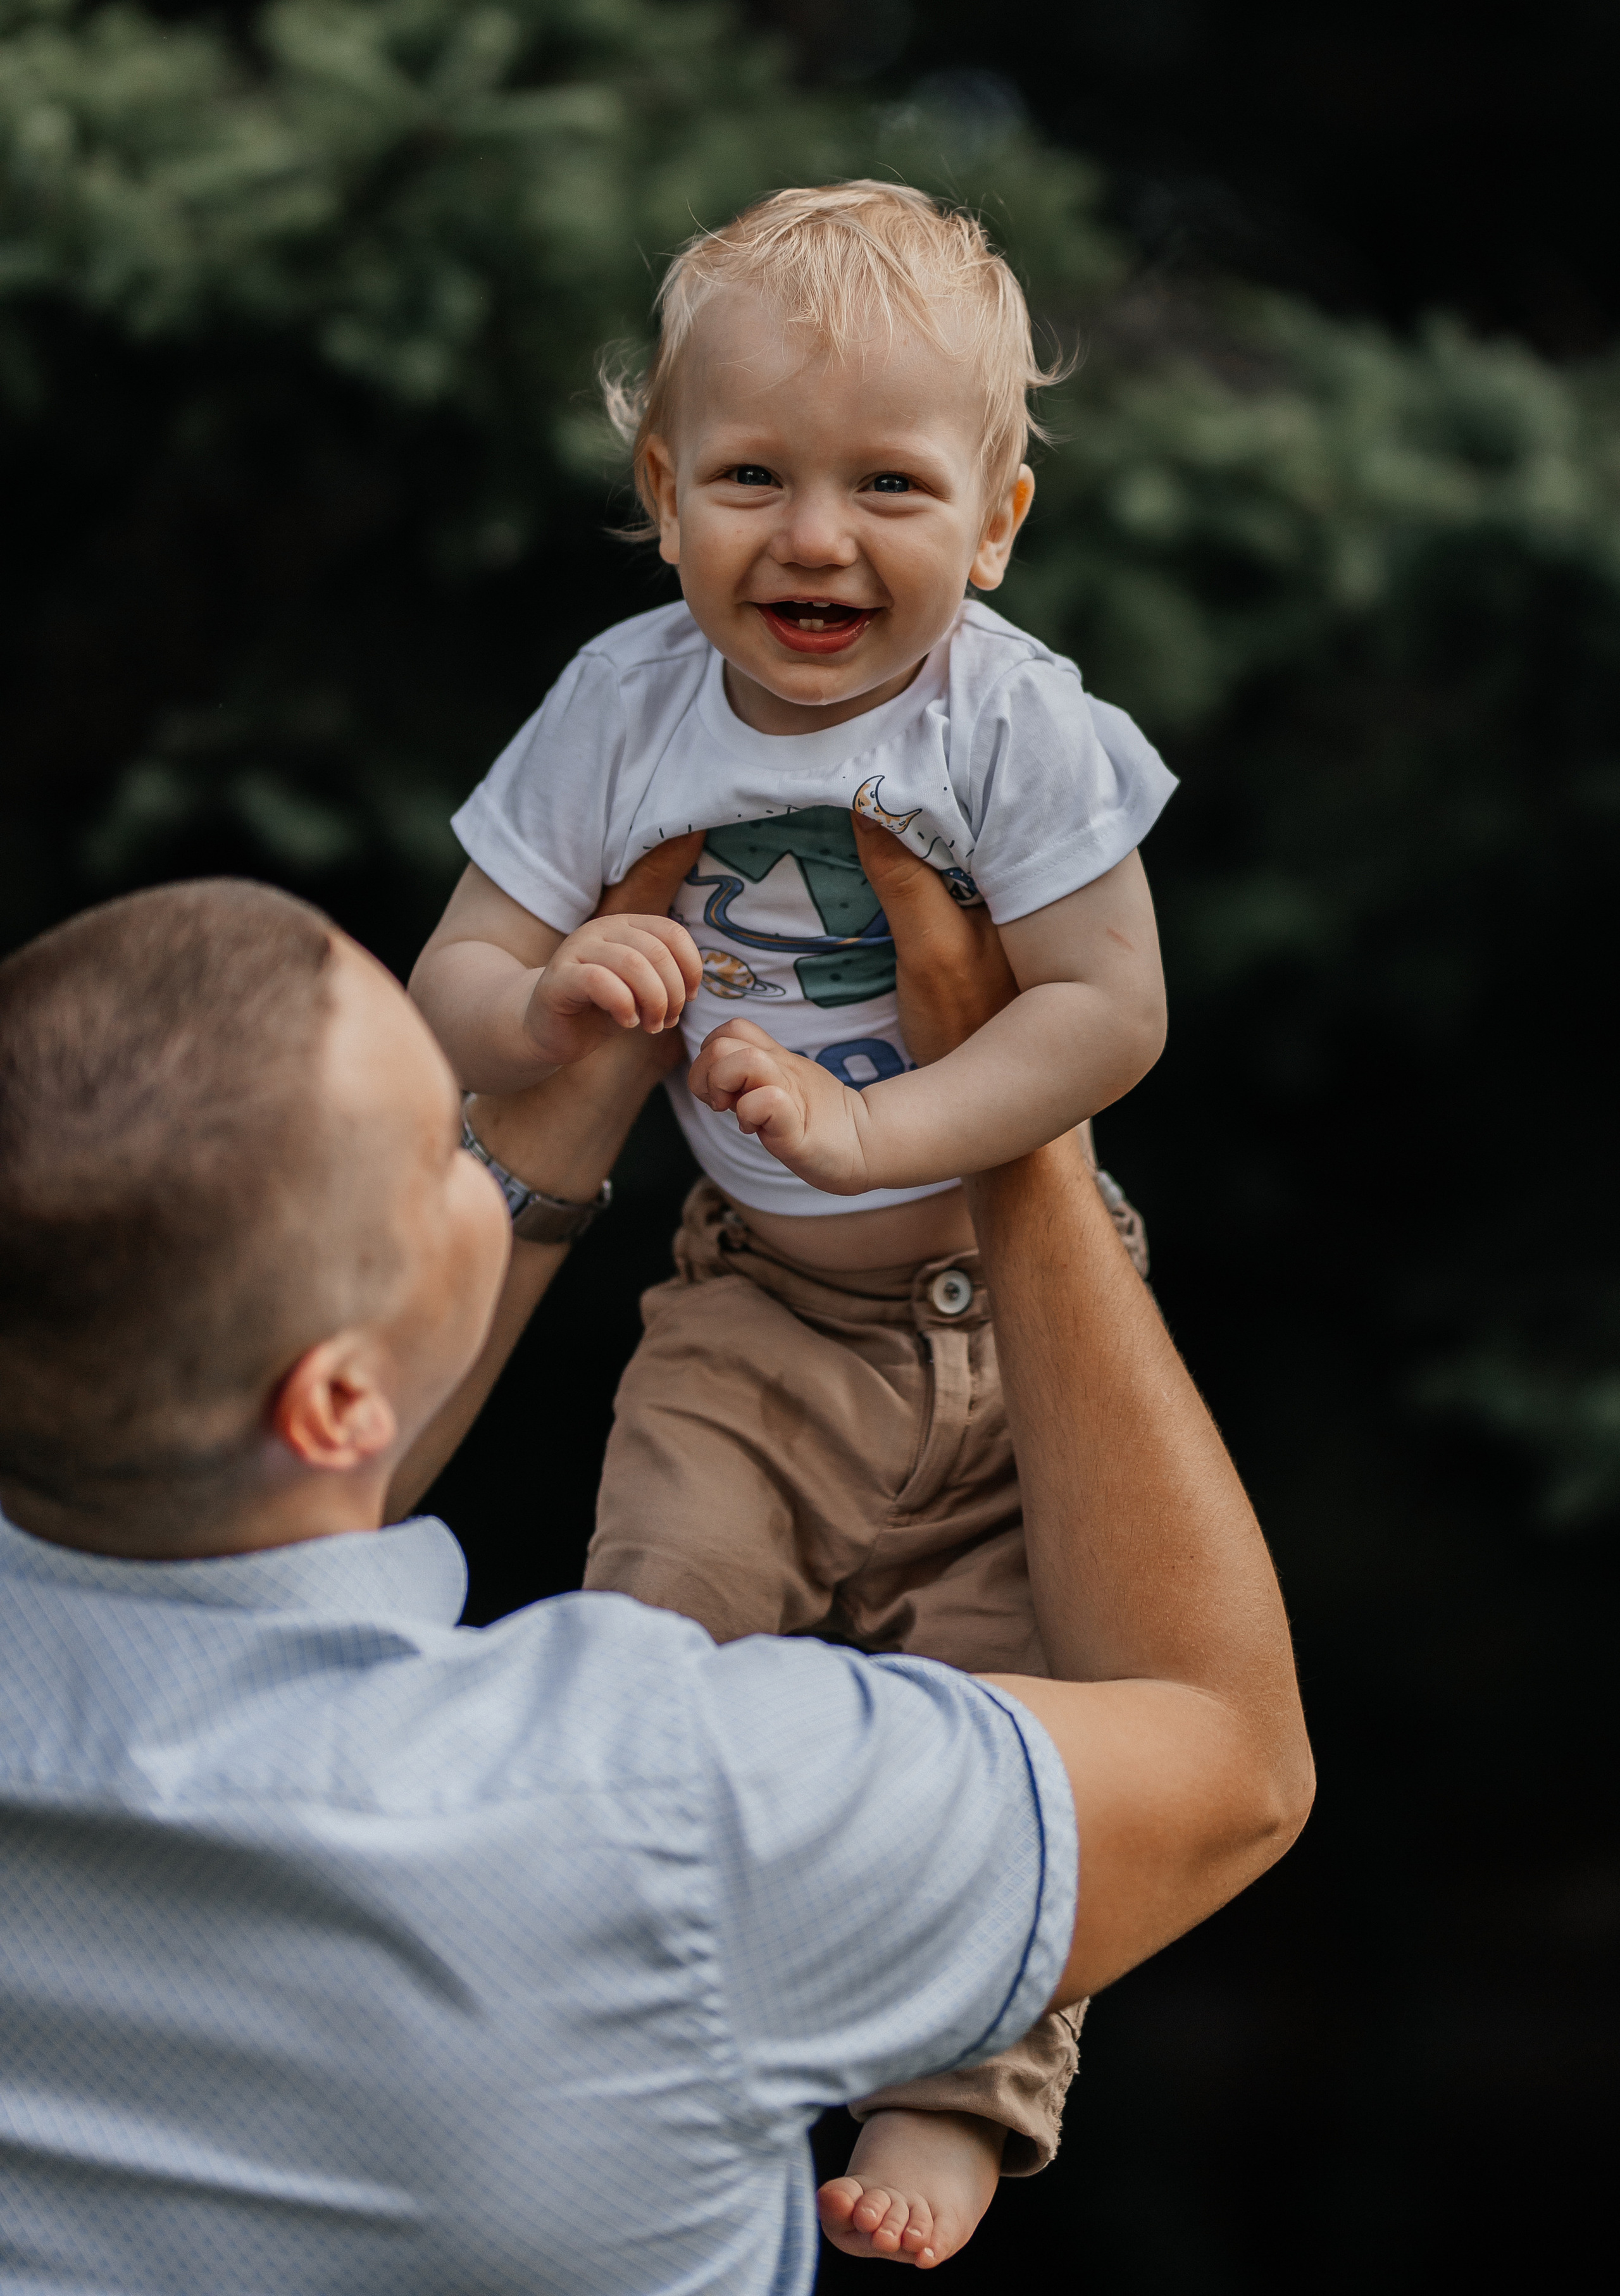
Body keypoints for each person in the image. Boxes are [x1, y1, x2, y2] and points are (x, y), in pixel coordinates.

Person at [0, 848, 1312, 2293]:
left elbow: (265, 1460)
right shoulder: (655, 1806)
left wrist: (591, 1059)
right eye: (446, 1140)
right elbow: (1227, 1756)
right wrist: (1012, 1116)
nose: (478, 1155)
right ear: (330, 1402)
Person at [409, 182, 1176, 2221]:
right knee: (651, 1630)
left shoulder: (1014, 721)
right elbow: (449, 993)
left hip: (1012, 1327)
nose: (815, 537)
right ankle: (624, 1998)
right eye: (751, 474)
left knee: (1022, 1712)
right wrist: (556, 992)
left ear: (996, 522)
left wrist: (891, 1124)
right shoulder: (622, 706)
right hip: (750, 1306)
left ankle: (965, 2083)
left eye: (890, 487)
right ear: (665, 493)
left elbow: (1107, 1014)